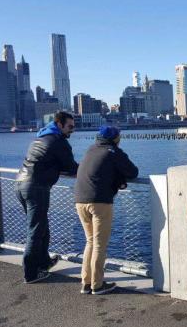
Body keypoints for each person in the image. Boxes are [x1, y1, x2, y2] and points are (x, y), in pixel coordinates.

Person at [74, 126, 139, 295]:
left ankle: (86, 282)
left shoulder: (91, 149)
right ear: (116, 139)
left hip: (80, 200)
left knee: (90, 242)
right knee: (100, 245)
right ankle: (98, 285)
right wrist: (119, 179)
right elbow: (133, 172)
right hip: (99, 202)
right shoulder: (113, 152)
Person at [16, 111, 78, 283]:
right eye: (70, 126)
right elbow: (72, 168)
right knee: (36, 231)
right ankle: (30, 274)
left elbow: (46, 161)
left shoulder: (39, 138)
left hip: (21, 185)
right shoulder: (59, 142)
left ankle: (44, 262)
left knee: (41, 227)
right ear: (59, 125)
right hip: (37, 188)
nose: (72, 130)